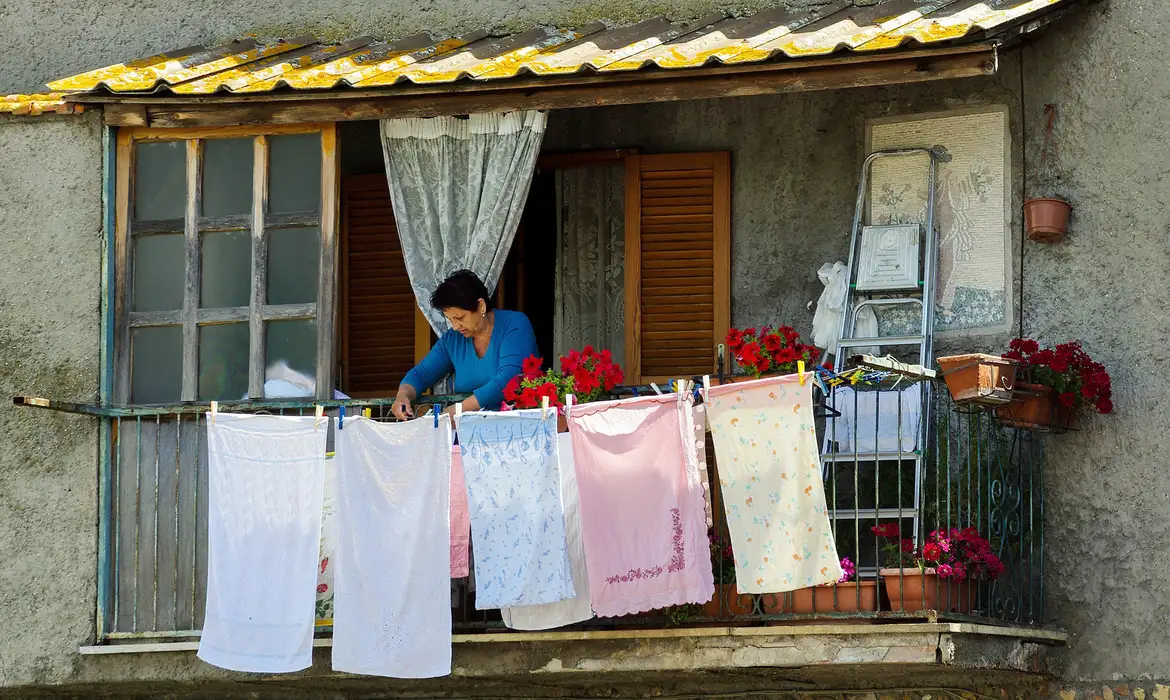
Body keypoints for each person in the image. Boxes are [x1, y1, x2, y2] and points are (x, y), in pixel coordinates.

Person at [392, 269, 539, 420]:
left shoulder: (515, 324)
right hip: (469, 431)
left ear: (481, 306)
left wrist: (461, 409)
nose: (455, 326)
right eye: (450, 320)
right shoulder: (453, 339)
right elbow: (421, 374)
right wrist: (403, 394)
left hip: (519, 426)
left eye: (460, 317)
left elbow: (508, 378)